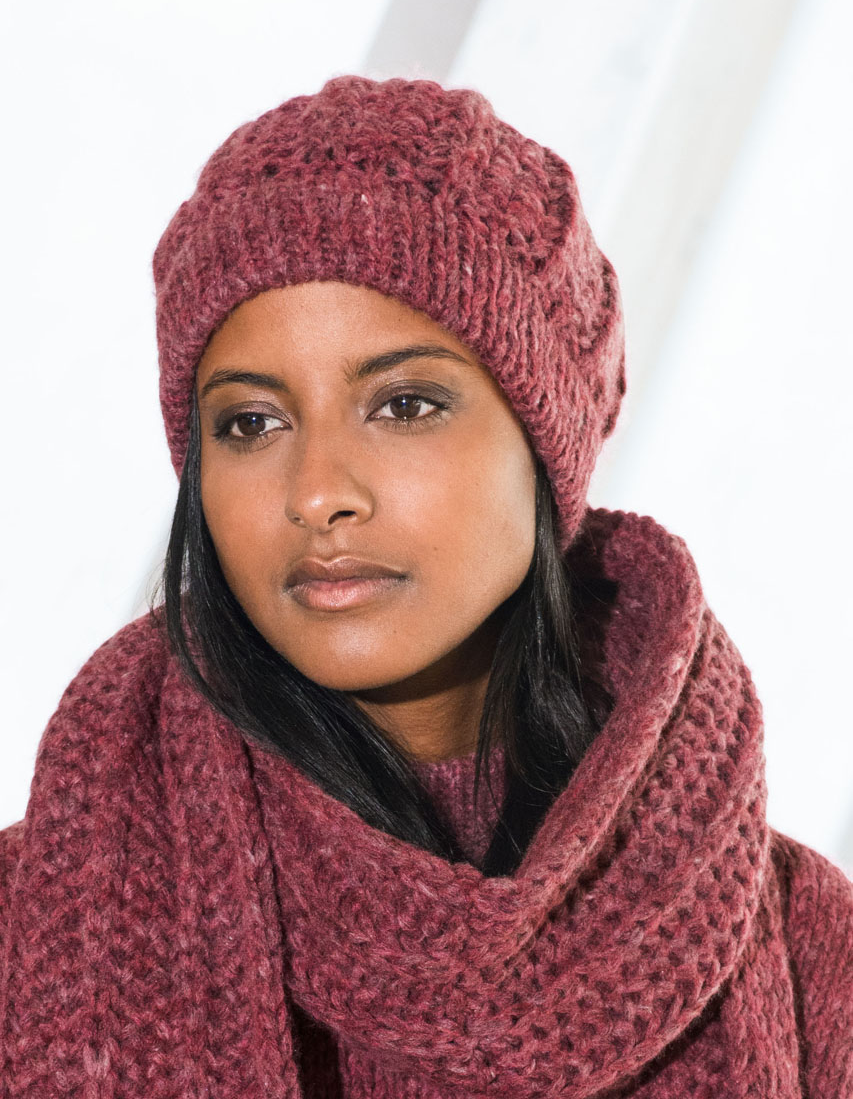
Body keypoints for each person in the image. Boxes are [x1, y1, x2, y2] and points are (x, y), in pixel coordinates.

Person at [0, 74, 850, 1097]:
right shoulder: (28, 927)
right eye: (251, 424)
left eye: (403, 405)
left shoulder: (809, 950)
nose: (318, 493)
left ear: (545, 445)